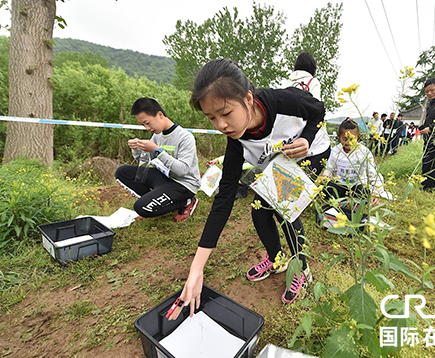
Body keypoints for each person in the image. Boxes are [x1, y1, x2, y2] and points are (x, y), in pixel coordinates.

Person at [169, 59, 331, 316]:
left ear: (247, 98)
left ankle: (301, 269)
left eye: (225, 113)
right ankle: (277, 259)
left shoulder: (285, 101)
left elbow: (319, 111)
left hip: (312, 153)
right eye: (211, 117)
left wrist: (307, 139)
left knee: (283, 208)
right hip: (281, 161)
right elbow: (223, 202)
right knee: (258, 209)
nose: (220, 125)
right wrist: (196, 269)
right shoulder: (236, 142)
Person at [115, 98, 201, 221]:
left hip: (184, 184)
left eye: (147, 122)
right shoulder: (157, 135)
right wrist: (136, 149)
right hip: (164, 177)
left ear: (160, 115)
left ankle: (186, 201)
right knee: (122, 172)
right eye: (143, 125)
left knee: (140, 208)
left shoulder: (185, 137)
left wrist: (158, 151)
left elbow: (182, 170)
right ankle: (157, 203)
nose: (147, 128)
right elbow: (144, 161)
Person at [320, 119, 389, 213]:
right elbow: (329, 168)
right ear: (338, 136)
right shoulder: (336, 150)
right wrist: (325, 176)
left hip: (357, 185)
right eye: (345, 139)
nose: (348, 143)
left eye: (352, 139)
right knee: (327, 189)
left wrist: (376, 190)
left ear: (358, 137)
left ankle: (357, 205)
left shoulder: (364, 152)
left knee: (364, 193)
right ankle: (341, 201)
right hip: (341, 183)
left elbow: (373, 173)